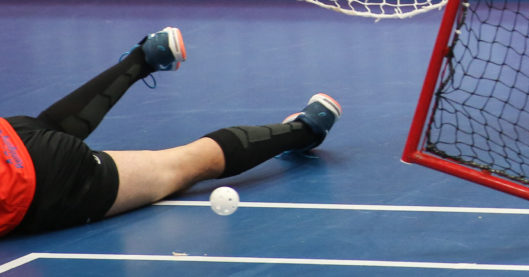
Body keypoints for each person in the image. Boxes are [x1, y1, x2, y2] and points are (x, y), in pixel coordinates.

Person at [0, 27, 340, 236]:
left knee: (182, 165)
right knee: (46, 128)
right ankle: (147, 54)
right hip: (11, 134)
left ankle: (305, 128)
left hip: (41, 180)